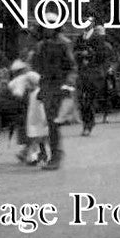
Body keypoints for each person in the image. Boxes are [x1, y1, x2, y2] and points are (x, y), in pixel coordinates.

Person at [29, 14, 77, 170]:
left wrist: (68, 84)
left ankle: (56, 155)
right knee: (47, 122)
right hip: (46, 86)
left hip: (58, 86)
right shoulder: (41, 45)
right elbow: (36, 65)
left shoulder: (63, 44)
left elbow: (71, 67)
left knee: (53, 122)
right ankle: (50, 153)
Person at [76, 24, 115, 136]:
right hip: (82, 73)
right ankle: (86, 122)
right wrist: (80, 54)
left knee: (89, 99)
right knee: (81, 100)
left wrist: (90, 55)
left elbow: (103, 56)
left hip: (94, 73)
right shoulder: (80, 37)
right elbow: (74, 53)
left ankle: (89, 124)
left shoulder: (98, 38)